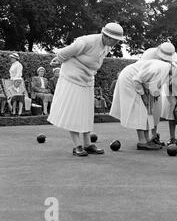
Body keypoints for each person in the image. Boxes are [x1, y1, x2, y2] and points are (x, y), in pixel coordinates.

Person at [48, 22, 125, 157]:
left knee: (86, 112)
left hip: (87, 79)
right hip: (71, 78)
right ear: (106, 36)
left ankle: (88, 144)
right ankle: (77, 146)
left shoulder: (107, 46)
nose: (116, 43)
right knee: (74, 112)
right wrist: (58, 59)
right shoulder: (86, 41)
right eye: (115, 40)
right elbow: (66, 52)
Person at [109, 59, 172, 150]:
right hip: (130, 79)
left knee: (148, 111)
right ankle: (142, 142)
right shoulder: (158, 69)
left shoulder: (165, 70)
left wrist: (152, 94)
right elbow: (137, 80)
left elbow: (151, 84)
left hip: (137, 80)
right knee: (140, 110)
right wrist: (143, 95)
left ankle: (147, 140)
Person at [138, 41, 177, 146]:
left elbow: (167, 76)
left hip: (157, 87)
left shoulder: (170, 57)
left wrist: (156, 91)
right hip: (142, 85)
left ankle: (154, 136)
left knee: (155, 112)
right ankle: (146, 139)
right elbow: (142, 75)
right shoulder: (148, 54)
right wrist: (148, 92)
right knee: (146, 113)